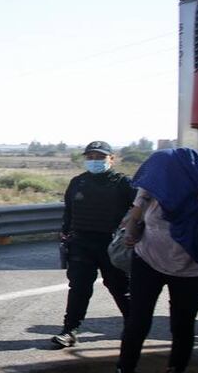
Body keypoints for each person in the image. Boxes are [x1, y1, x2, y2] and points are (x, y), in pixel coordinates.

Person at [99, 148, 198, 373]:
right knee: (137, 320)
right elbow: (136, 215)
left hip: (191, 269)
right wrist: (131, 233)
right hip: (148, 260)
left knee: (182, 325)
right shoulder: (155, 185)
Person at [51, 140, 135, 347]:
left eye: (100, 157)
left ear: (111, 159)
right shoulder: (78, 182)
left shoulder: (124, 183)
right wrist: (65, 233)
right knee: (78, 287)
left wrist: (131, 232)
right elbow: (69, 212)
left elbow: (138, 209)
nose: (94, 161)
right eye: (90, 157)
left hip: (112, 244)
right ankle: (69, 330)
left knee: (119, 287)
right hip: (81, 243)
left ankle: (135, 327)